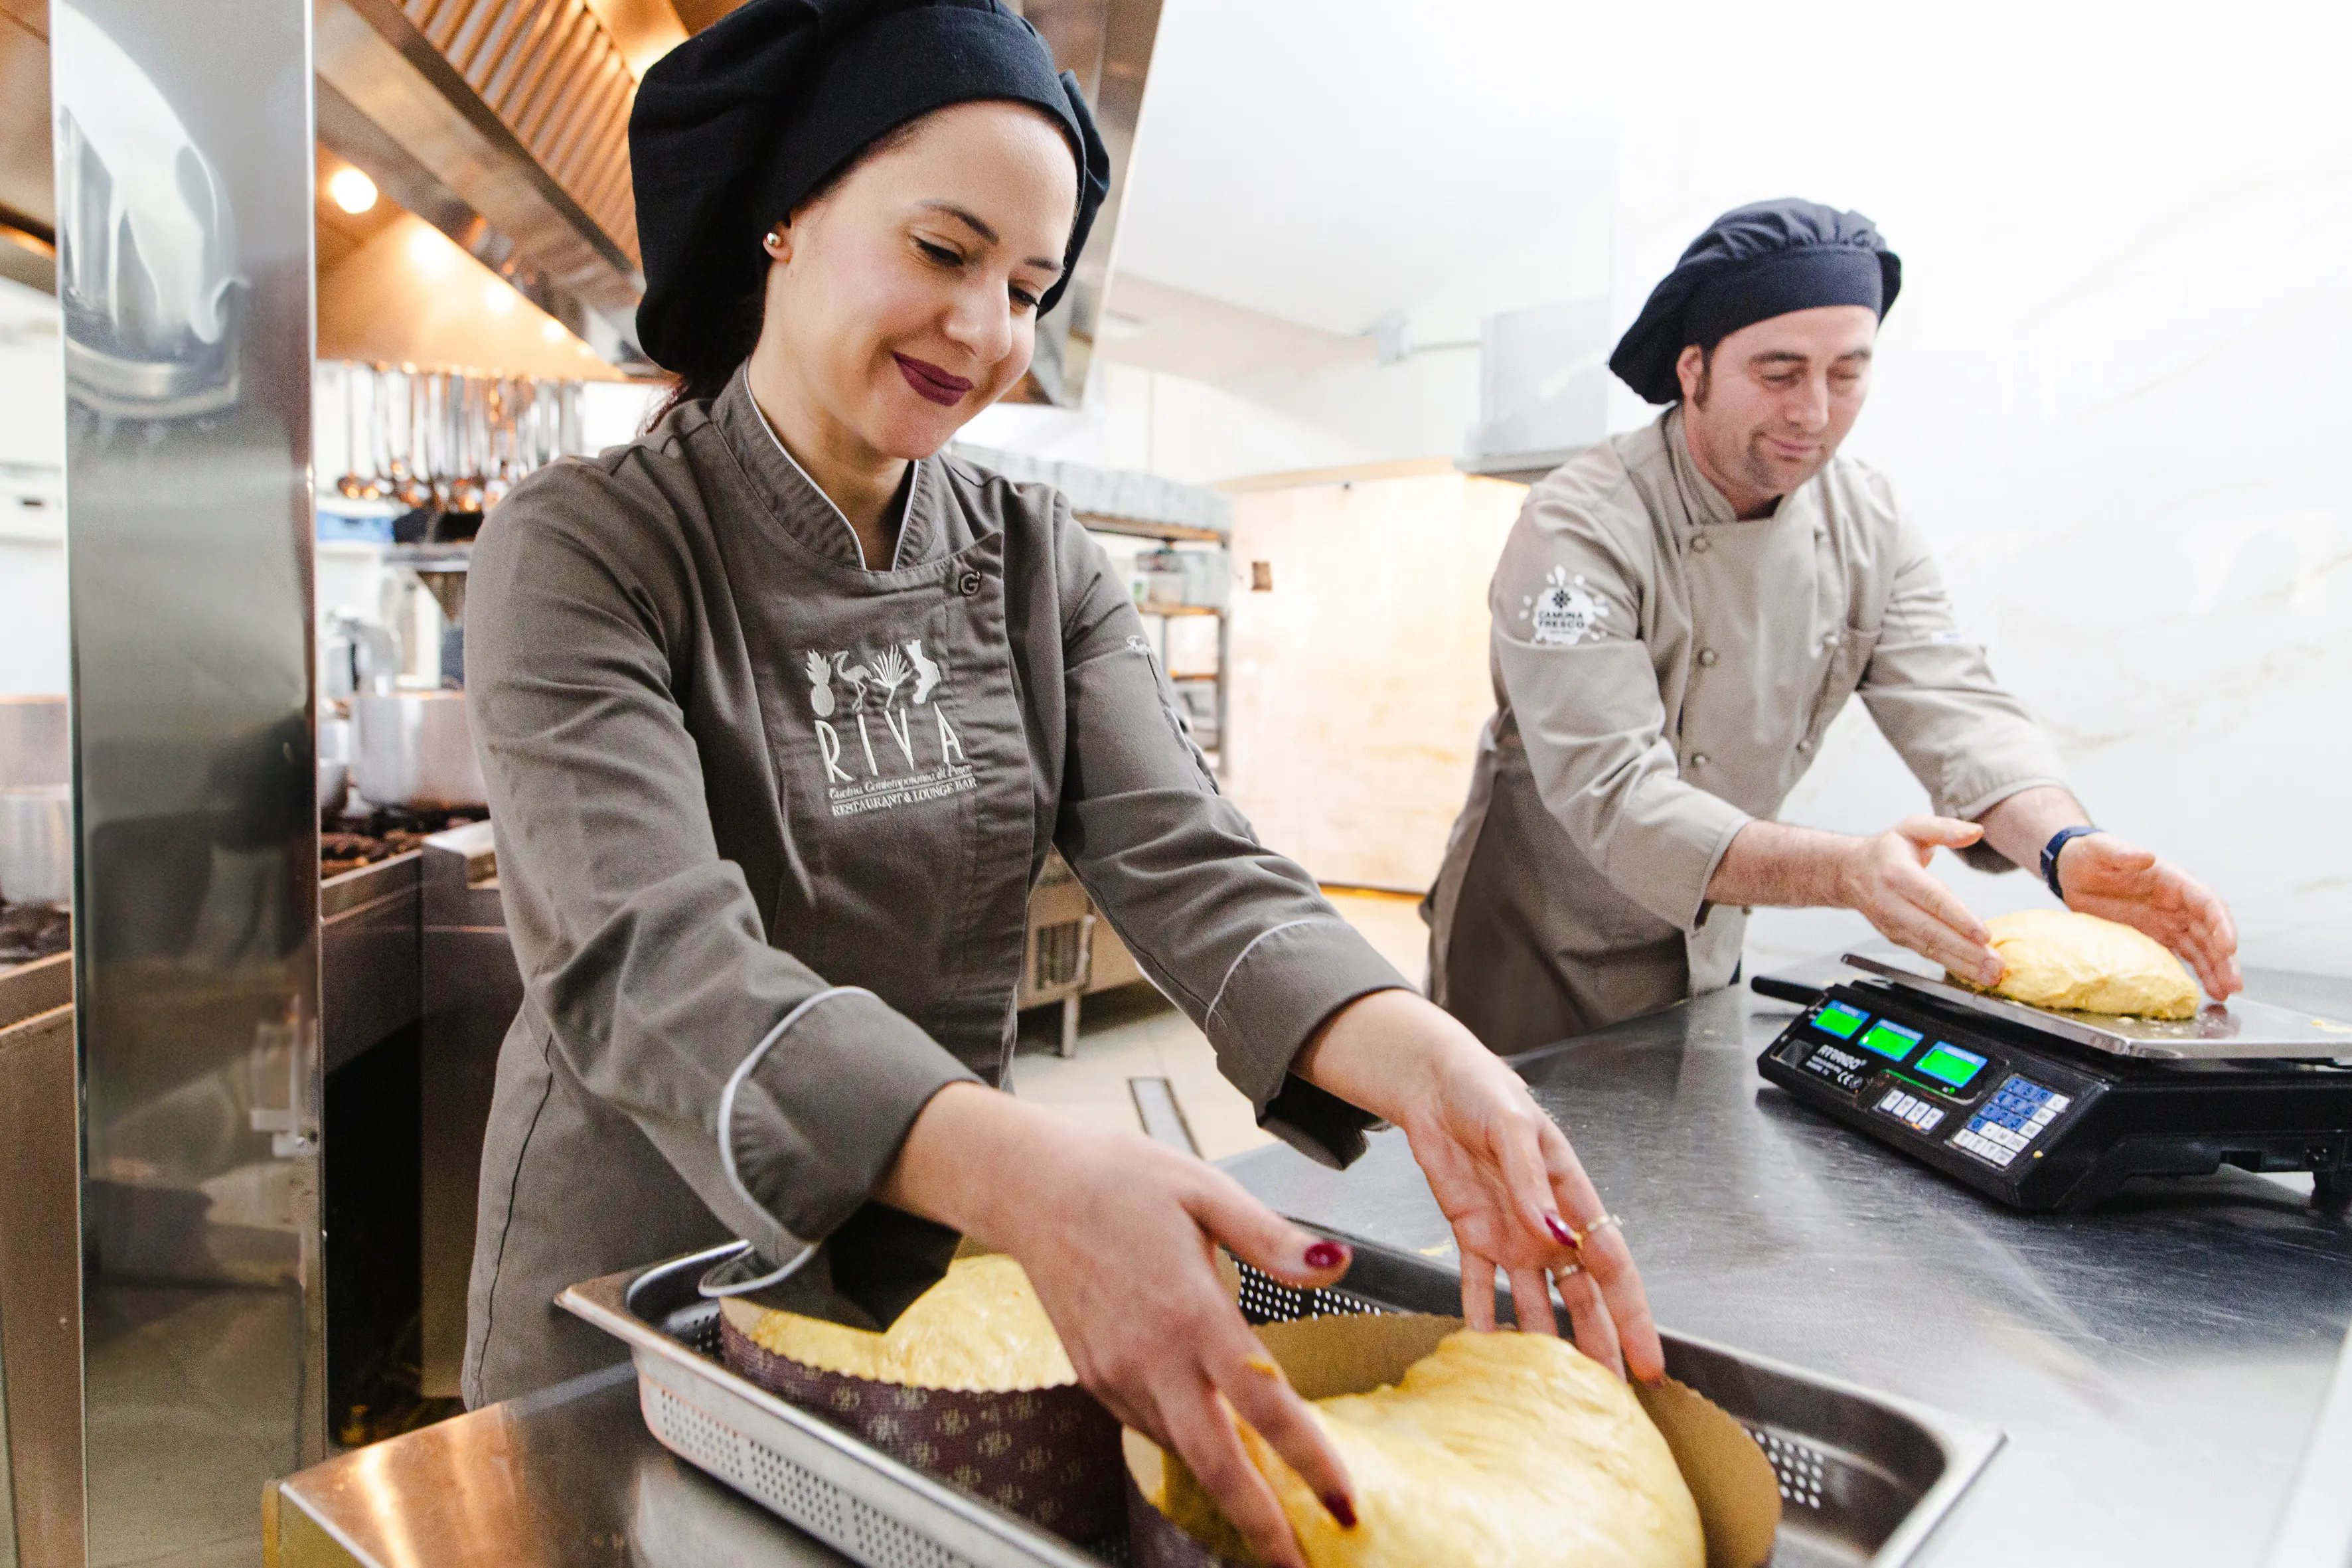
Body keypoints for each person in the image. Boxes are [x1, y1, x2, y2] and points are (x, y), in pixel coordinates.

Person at [460, 6, 1656, 1564]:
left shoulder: (1039, 563)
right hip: (634, 1275)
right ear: (788, 216)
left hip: (945, 1271)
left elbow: (1194, 861)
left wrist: (1430, 1054)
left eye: (1027, 286)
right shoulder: (588, 543)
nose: (983, 327)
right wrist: (1031, 1174)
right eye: (944, 250)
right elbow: (646, 962)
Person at [1426, 198, 2241, 1057]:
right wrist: (1843, 871)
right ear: (1693, 368)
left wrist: (2063, 846)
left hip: (1704, 945)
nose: (1813, 412)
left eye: (1846, 374)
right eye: (1778, 374)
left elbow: (1955, 706)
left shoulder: (1866, 519)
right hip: (1534, 951)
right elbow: (1615, 796)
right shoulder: (1580, 523)